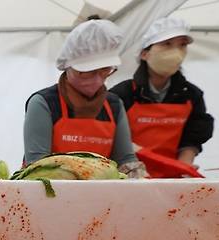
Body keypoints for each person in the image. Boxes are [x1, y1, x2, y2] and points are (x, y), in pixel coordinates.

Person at [23, 20, 147, 178]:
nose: (96, 79)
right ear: (68, 67)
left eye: (104, 70)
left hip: (103, 196)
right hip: (51, 194)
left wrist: (141, 183)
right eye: (87, 72)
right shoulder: (44, 103)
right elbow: (37, 166)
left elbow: (125, 160)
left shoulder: (114, 105)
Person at [110, 17, 214, 178]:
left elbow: (193, 137)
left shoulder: (192, 95)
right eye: (167, 44)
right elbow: (111, 137)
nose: (176, 51)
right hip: (130, 176)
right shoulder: (122, 93)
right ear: (145, 54)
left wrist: (184, 166)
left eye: (182, 45)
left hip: (173, 177)